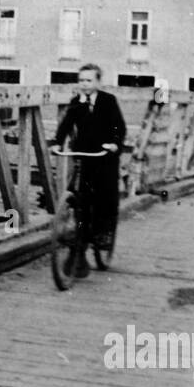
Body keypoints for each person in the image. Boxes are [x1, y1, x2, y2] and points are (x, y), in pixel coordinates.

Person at [50, 63, 126, 278]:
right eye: (81, 80)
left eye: (89, 80)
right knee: (80, 195)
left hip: (104, 156)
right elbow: (65, 125)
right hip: (84, 155)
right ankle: (78, 237)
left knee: (105, 196)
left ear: (98, 82)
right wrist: (57, 142)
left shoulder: (108, 101)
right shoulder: (77, 103)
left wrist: (114, 144)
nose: (84, 84)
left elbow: (119, 127)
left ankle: (103, 234)